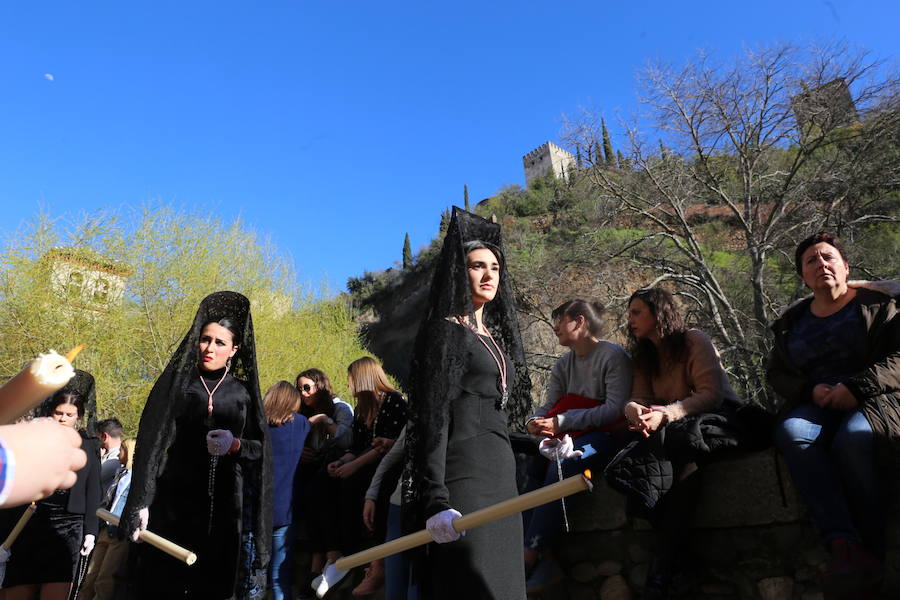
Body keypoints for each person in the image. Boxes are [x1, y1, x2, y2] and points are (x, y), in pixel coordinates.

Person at [402, 207, 532, 599]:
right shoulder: (445, 333)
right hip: (466, 480)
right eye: (477, 266)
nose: (489, 274)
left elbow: (492, 417)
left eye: (495, 266)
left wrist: (538, 444)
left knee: (506, 587)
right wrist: (435, 498)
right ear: (461, 272)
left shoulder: (494, 339)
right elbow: (433, 418)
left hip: (503, 477)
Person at [767, 232, 899, 597]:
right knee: (794, 434)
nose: (821, 264)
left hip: (878, 398)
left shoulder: (879, 305)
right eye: (811, 261)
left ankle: (871, 545)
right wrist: (808, 391)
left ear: (845, 267)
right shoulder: (791, 321)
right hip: (816, 403)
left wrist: (857, 388)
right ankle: (843, 546)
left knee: (851, 442)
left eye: (828, 257)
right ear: (803, 277)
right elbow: (776, 372)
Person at [121, 291, 271, 600]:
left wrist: (235, 445)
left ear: (234, 350)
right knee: (161, 582)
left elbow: (261, 450)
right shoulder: (179, 384)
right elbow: (152, 442)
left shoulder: (243, 394)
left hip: (226, 505)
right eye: (205, 339)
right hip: (173, 498)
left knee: (213, 583)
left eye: (220, 343)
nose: (209, 348)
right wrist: (142, 500)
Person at [610, 287, 745, 598]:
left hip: (715, 421)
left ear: (659, 312)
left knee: (684, 465)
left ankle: (663, 568)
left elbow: (711, 395)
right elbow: (640, 398)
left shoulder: (694, 341)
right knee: (637, 460)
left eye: (636, 312)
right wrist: (634, 410)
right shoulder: (644, 354)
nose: (630, 320)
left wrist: (666, 414)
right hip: (673, 428)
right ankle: (679, 564)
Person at [522, 299, 632, 591]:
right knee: (533, 469)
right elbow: (548, 406)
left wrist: (563, 422)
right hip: (570, 433)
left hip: (605, 438)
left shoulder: (613, 356)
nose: (555, 327)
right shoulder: (563, 364)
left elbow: (615, 410)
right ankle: (542, 557)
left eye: (560, 320)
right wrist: (534, 422)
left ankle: (528, 558)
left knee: (566, 465)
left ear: (580, 322)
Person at [312, 357, 406, 598]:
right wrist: (342, 462)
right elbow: (356, 445)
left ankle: (355, 557)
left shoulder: (393, 401)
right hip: (362, 460)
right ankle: (334, 555)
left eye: (352, 379)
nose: (349, 384)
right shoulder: (364, 408)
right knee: (324, 480)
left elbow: (388, 448)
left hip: (384, 466)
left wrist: (353, 466)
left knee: (351, 484)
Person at [1, 375, 102, 600]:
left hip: (67, 527)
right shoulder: (36, 440)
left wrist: (90, 530)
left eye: (69, 415)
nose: (63, 419)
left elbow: (93, 489)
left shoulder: (89, 445)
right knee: (19, 587)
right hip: (29, 520)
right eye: (59, 413)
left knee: (56, 588)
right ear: (50, 412)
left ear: (79, 416)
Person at [294, 368, 353, 593]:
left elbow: (347, 438)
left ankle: (325, 558)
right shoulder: (302, 413)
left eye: (307, 387)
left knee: (317, 492)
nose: (304, 393)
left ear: (320, 386)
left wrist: (323, 419)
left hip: (337, 467)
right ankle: (318, 559)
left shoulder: (340, 408)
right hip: (314, 468)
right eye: (300, 389)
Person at [263, 381, 310, 600]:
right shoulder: (300, 424)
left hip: (256, 508)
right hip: (285, 510)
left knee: (251, 571)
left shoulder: (257, 425)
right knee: (279, 576)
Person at [80, 438, 136, 600]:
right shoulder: (120, 472)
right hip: (104, 528)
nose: (119, 453)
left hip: (119, 533)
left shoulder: (136, 477)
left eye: (122, 450)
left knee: (104, 580)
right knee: (90, 576)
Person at [95, 418, 124, 502]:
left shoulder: (115, 458)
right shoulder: (110, 454)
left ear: (104, 436)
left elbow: (93, 478)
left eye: (97, 437)